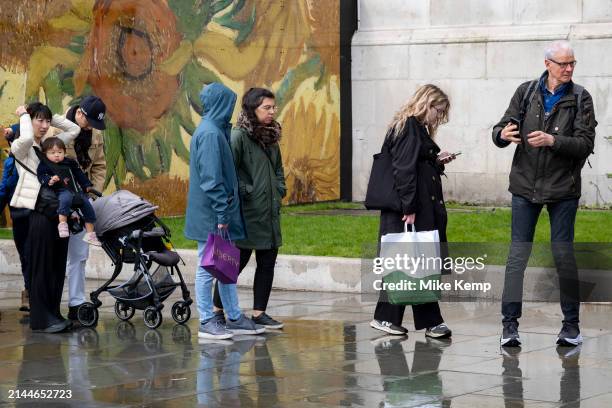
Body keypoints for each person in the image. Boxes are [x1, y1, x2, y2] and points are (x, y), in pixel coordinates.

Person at [493, 40, 597, 348]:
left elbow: (585, 143)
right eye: (563, 63)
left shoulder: (581, 98)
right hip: (525, 186)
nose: (569, 69)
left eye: (572, 63)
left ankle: (571, 327)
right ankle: (509, 326)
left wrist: (553, 140)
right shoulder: (526, 92)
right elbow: (502, 127)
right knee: (517, 256)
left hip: (563, 188)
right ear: (547, 64)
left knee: (563, 256)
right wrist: (501, 135)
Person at [370, 84, 455, 339]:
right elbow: (404, 169)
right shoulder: (410, 127)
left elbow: (413, 165)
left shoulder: (411, 127)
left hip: (414, 205)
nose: (438, 118)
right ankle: (425, 322)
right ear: (427, 104)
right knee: (414, 261)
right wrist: (409, 207)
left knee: (413, 261)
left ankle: (393, 318)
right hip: (411, 208)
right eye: (438, 112)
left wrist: (436, 161)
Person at [184, 82, 265, 340]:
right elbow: (211, 180)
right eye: (229, 104)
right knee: (208, 268)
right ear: (220, 104)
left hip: (218, 214)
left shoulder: (214, 131)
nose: (231, 110)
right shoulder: (210, 134)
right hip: (213, 215)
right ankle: (207, 320)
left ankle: (233, 316)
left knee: (225, 266)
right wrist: (221, 215)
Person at [212, 87, 286, 329]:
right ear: (252, 109)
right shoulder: (239, 136)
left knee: (267, 261)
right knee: (233, 262)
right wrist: (248, 192)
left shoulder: (271, 135)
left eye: (273, 107)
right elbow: (229, 172)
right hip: (246, 213)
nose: (272, 112)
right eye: (267, 107)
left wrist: (279, 189)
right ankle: (216, 310)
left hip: (269, 211)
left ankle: (259, 313)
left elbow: (278, 170)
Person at [10, 102, 80, 333]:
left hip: (57, 213)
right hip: (38, 213)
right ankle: (41, 319)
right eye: (39, 120)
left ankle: (54, 313)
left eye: (46, 121)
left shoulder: (50, 147)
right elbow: (28, 139)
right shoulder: (22, 146)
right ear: (29, 122)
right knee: (40, 267)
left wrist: (52, 116)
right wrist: (23, 115)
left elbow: (74, 130)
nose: (44, 125)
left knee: (56, 266)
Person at [59, 96, 107, 321]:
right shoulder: (56, 127)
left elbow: (99, 165)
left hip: (82, 200)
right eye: (89, 122)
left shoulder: (95, 134)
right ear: (79, 113)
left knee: (79, 255)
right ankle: (47, 303)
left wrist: (92, 193)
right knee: (55, 255)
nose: (92, 128)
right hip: (58, 199)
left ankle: (76, 303)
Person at [36, 137, 101, 245]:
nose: (57, 155)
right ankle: (62, 224)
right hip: (61, 190)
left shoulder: (70, 162)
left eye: (60, 152)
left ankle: (90, 234)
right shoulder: (44, 164)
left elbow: (79, 174)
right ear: (45, 153)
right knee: (65, 199)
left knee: (88, 207)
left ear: (64, 152)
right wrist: (50, 180)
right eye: (52, 153)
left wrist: (86, 185)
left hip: (76, 190)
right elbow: (41, 176)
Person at [0, 126, 31, 311]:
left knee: (34, 254)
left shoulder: (37, 158)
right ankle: (28, 291)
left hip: (36, 214)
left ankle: (34, 292)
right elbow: (4, 189)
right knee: (25, 255)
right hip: (19, 215)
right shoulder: (11, 163)